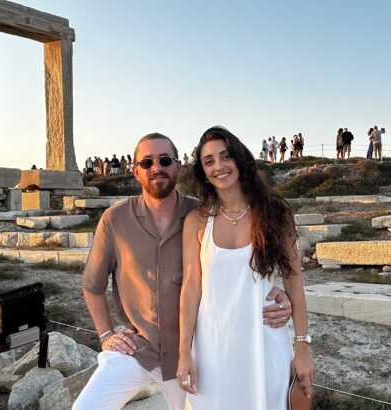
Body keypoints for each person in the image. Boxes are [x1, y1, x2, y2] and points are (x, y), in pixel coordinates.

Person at [73, 133, 293, 410]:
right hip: (138, 350)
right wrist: (106, 335)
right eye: (147, 162)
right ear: (135, 171)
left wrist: (276, 294)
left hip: (194, 353)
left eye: (165, 160)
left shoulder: (202, 216)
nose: (157, 168)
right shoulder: (114, 220)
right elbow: (92, 285)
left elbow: (235, 265)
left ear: (178, 166)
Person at [176, 126, 315, 409]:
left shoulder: (275, 213)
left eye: (225, 156)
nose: (219, 166)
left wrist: (302, 346)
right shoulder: (196, 221)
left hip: (265, 344)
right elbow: (190, 289)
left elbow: (293, 279)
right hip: (212, 348)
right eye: (209, 161)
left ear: (240, 159)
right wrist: (184, 353)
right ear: (203, 172)